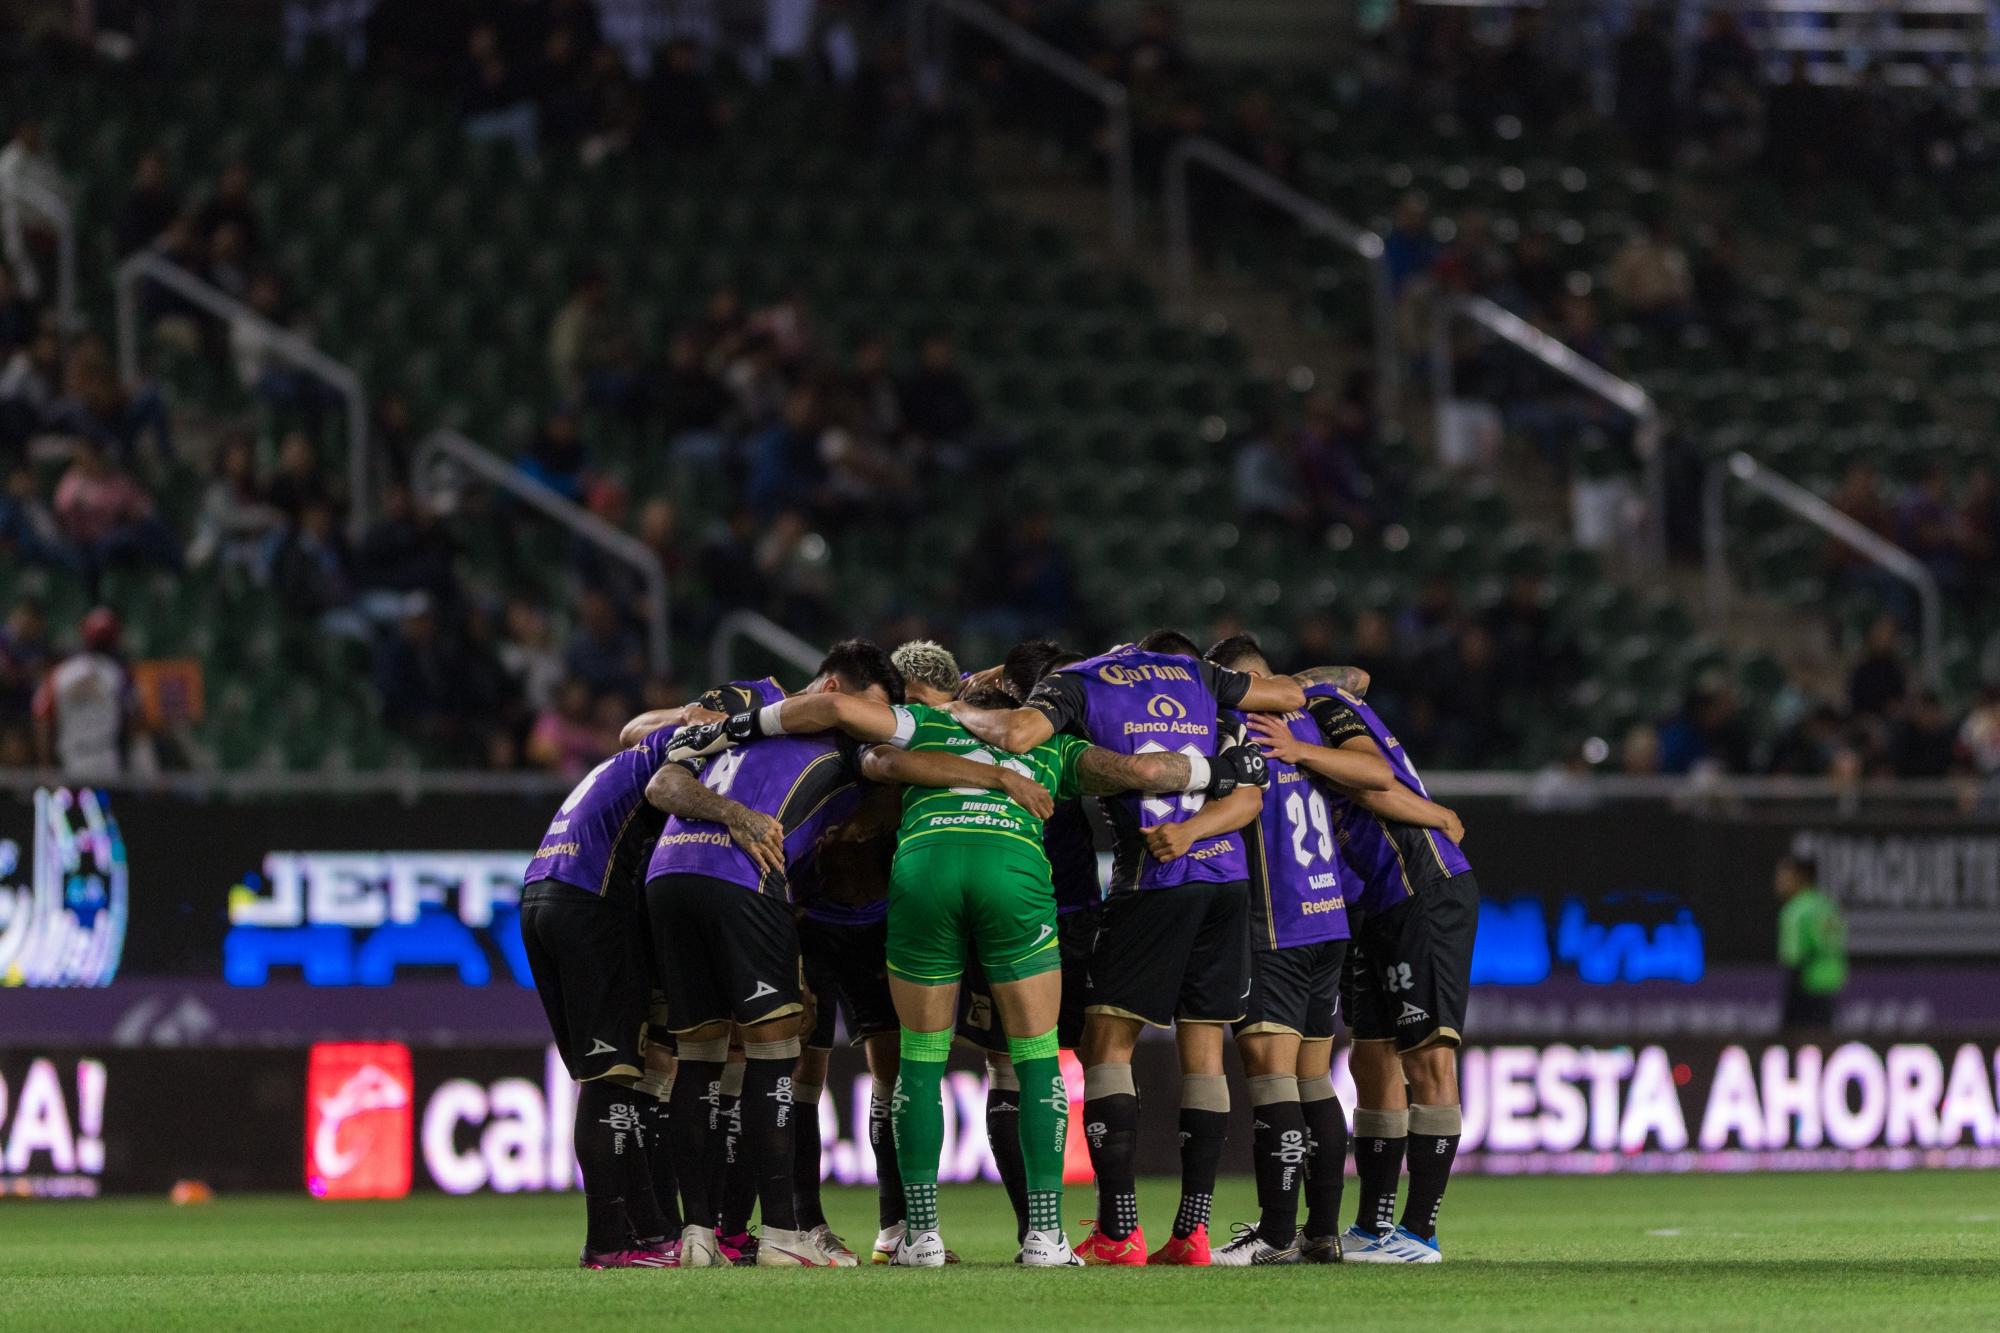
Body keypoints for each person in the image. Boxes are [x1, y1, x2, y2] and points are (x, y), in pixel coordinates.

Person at [691, 639, 1259, 1267]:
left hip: (924, 873)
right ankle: (1045, 1238)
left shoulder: (927, 723)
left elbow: (875, 757)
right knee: (1038, 1058)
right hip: (1010, 873)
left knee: (921, 1060)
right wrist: (1221, 773)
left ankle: (921, 1237)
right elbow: (1144, 773)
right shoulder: (1055, 744)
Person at [951, 631, 1305, 1265]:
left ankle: (1119, 1231)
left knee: (1105, 1044)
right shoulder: (1204, 688)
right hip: (1228, 884)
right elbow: (1258, 774)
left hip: (1155, 879)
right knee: (1204, 1051)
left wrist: (961, 704)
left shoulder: (1084, 684)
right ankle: (1193, 1234)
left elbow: (1020, 734)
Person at [640, 642, 905, 1268]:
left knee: (700, 1058)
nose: (870, 722)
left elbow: (664, 778)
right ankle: (783, 1234)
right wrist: (736, 816)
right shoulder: (840, 749)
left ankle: (697, 1235)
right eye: (869, 708)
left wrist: (724, 808)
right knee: (773, 1053)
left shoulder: (743, 725)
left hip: (669, 875)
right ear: (836, 687)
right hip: (740, 877)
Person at [1202, 635, 1400, 1265]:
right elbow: (1358, 674)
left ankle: (1275, 1233)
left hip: (1276, 920)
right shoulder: (1311, 719)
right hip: (1328, 920)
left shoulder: (1236, 727)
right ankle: (1321, 1231)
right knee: (1314, 1079)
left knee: (1271, 1078)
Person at [520, 696, 722, 1269]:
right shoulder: (681, 754)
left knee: (608, 1077)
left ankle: (646, 1233)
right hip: (588, 902)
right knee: (609, 1079)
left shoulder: (626, 759)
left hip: (541, 895)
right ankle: (608, 1243)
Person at [1288, 667, 1474, 1265]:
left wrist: (1431, 811)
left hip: (1419, 888)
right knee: (1371, 1058)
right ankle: (1372, 1226)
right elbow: (1361, 675)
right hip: (1372, 905)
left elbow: (1371, 774)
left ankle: (1420, 1233)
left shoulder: (1315, 707)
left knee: (1428, 1055)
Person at [31, 608, 138, 778]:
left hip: (79, 756)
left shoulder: (60, 672)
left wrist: (46, 765)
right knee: (103, 803)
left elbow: (41, 719)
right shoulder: (119, 674)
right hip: (99, 756)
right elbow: (133, 719)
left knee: (80, 803)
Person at [1775, 853, 1846, 1032]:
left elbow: (1795, 959)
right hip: (1831, 986)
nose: (1779, 883)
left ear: (1801, 878)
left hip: (1805, 989)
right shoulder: (1828, 906)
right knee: (1824, 1042)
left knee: (1801, 1046)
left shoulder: (1796, 911)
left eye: (1785, 877)